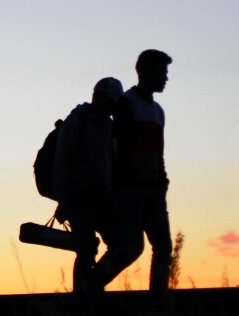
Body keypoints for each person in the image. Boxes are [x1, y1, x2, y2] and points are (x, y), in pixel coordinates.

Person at [93, 50, 174, 294]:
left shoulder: (158, 111)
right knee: (130, 247)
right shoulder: (126, 104)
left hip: (153, 189)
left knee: (163, 246)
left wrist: (162, 179)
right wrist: (124, 185)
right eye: (161, 72)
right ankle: (91, 286)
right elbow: (118, 147)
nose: (165, 78)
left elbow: (157, 153)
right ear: (144, 72)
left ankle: (157, 298)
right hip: (130, 190)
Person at [51, 78, 123, 292]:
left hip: (104, 197)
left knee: (120, 243)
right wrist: (63, 198)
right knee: (86, 249)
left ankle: (90, 287)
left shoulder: (109, 126)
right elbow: (61, 160)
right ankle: (84, 301)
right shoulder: (77, 121)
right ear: (99, 97)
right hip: (80, 198)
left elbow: (113, 163)